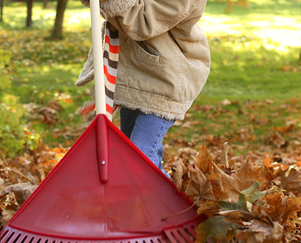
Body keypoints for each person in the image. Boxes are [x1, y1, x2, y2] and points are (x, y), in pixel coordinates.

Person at [76, 0, 211, 176]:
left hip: (164, 80)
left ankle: (155, 201)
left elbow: (142, 22)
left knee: (139, 158)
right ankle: (157, 197)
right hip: (136, 77)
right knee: (131, 155)